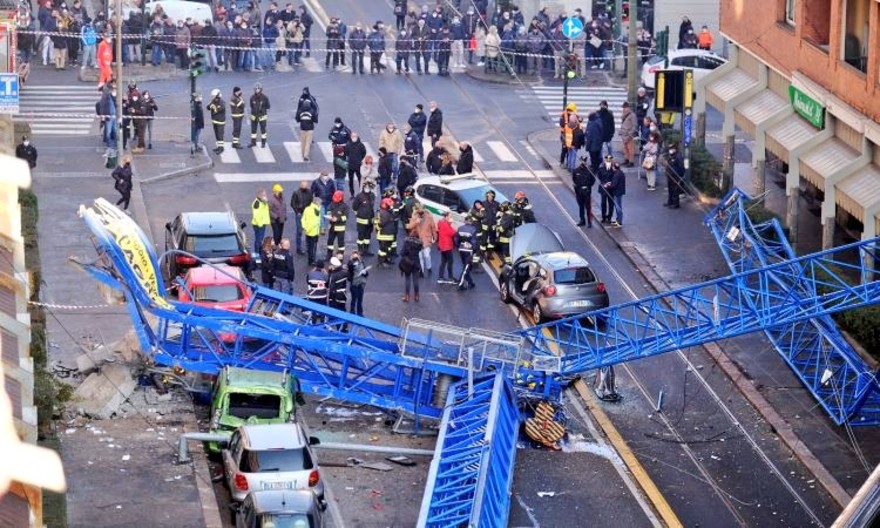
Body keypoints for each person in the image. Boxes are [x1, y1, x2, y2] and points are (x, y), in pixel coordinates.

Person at [406, 203, 438, 277]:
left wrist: (435, 237)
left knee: (426, 255)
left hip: (426, 239)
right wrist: (415, 222)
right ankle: (421, 271)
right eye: (419, 210)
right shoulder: (414, 216)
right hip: (417, 240)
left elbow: (433, 228)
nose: (420, 212)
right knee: (420, 257)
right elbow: (409, 227)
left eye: (421, 210)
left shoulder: (429, 217)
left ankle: (429, 268)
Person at [352, 181, 376, 256]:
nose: (367, 188)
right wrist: (359, 214)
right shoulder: (359, 196)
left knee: (367, 237)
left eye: (369, 187)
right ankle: (360, 250)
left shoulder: (372, 195)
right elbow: (354, 207)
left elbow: (372, 206)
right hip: (361, 220)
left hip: (370, 220)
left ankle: (366, 250)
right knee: (361, 236)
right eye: (366, 187)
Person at [289, 181, 313, 255]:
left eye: (305, 186)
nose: (304, 187)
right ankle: (299, 248)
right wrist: (297, 212)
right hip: (300, 213)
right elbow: (292, 203)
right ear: (300, 186)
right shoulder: (296, 193)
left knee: (308, 230)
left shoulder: (309, 192)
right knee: (299, 232)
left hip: (307, 213)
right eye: (303, 186)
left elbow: (311, 202)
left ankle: (308, 247)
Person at [455, 215, 478, 290]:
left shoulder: (460, 228)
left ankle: (470, 282)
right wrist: (474, 250)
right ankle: (460, 284)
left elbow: (456, 239)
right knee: (466, 268)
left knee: (466, 266)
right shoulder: (473, 229)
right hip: (469, 250)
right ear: (471, 222)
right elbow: (474, 241)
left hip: (461, 249)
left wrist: (459, 245)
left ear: (465, 221)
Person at [399, 232, 422, 302]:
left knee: (407, 279)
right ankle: (416, 296)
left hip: (408, 263)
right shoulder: (419, 244)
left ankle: (407, 296)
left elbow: (402, 253)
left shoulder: (407, 243)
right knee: (415, 280)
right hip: (416, 263)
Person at [572, 158, 595, 227]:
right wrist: (578, 186)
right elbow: (574, 179)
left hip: (587, 191)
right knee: (581, 206)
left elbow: (593, 180)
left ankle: (589, 222)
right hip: (579, 191)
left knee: (588, 207)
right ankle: (582, 220)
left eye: (584, 161)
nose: (582, 163)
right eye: (581, 161)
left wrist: (588, 186)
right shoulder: (576, 170)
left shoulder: (589, 171)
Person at [326, 190, 348, 260]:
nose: (335, 200)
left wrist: (337, 219)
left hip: (340, 228)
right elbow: (328, 210)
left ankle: (340, 257)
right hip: (332, 227)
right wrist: (329, 215)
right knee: (330, 242)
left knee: (340, 244)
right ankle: (329, 255)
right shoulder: (332, 204)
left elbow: (346, 217)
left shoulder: (345, 206)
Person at [295, 96, 317, 161]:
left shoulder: (300, 111)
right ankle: (306, 156)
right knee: (308, 143)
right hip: (310, 129)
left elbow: (297, 119)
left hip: (302, 129)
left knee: (303, 143)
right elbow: (315, 120)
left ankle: (302, 154)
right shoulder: (312, 111)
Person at [436, 211, 456, 283]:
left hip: (442, 245)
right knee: (450, 262)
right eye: (450, 216)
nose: (451, 218)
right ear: (446, 217)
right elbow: (452, 233)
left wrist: (449, 223)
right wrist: (452, 224)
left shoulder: (441, 222)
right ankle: (450, 278)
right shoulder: (445, 224)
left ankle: (440, 277)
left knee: (443, 262)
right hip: (447, 245)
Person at [376, 197, 396, 267]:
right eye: (389, 205)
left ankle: (386, 259)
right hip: (384, 235)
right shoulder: (384, 213)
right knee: (383, 249)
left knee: (387, 248)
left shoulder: (387, 212)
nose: (390, 206)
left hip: (388, 234)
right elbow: (381, 223)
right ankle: (381, 261)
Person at [249, 82, 270, 148]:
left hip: (262, 117)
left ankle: (263, 143)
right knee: (253, 131)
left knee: (263, 131)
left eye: (258, 88)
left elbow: (268, 106)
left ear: (261, 89)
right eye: (256, 89)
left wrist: (262, 109)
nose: (257, 90)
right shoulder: (252, 97)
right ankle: (253, 142)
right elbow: (251, 106)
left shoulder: (265, 98)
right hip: (254, 117)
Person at [301, 197, 322, 265]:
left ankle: (310, 260)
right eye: (320, 203)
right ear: (317, 203)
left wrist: (305, 227)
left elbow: (303, 219)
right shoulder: (317, 210)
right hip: (314, 232)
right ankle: (312, 260)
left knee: (309, 246)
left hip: (307, 231)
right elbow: (316, 221)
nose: (320, 204)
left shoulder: (307, 208)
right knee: (313, 247)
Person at [664, 143, 685, 209]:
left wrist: (679, 176)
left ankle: (676, 204)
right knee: (670, 189)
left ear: (675, 149)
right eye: (670, 149)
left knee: (675, 190)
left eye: (672, 149)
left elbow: (681, 167)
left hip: (675, 176)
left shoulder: (678, 156)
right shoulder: (671, 156)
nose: (670, 150)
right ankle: (670, 202)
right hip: (670, 175)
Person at [606, 162, 626, 227]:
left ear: (614, 168)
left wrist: (608, 185)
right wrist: (611, 183)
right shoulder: (620, 173)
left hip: (617, 193)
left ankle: (619, 222)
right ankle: (618, 220)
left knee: (618, 207)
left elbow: (614, 185)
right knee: (618, 206)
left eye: (613, 167)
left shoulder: (616, 174)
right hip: (620, 192)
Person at [251, 188, 271, 253]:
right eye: (264, 195)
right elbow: (256, 215)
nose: (266, 196)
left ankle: (258, 251)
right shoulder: (257, 203)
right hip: (259, 224)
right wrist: (260, 224)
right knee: (259, 240)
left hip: (262, 223)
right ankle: (257, 252)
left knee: (259, 239)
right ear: (260, 195)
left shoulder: (262, 201)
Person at [207, 88, 226, 154]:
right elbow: (208, 107)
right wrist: (210, 105)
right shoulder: (213, 101)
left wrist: (214, 107)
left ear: (217, 95)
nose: (212, 97)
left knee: (220, 135)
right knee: (217, 135)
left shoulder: (221, 102)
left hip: (220, 122)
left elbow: (218, 110)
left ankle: (221, 148)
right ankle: (218, 147)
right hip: (215, 121)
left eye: (213, 96)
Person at [619, 102, 637, 168]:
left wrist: (631, 133)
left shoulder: (632, 115)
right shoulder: (624, 115)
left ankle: (631, 161)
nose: (624, 109)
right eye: (623, 108)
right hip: (624, 134)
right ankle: (626, 159)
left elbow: (635, 126)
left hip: (629, 134)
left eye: (625, 107)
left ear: (629, 108)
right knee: (625, 148)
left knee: (630, 149)